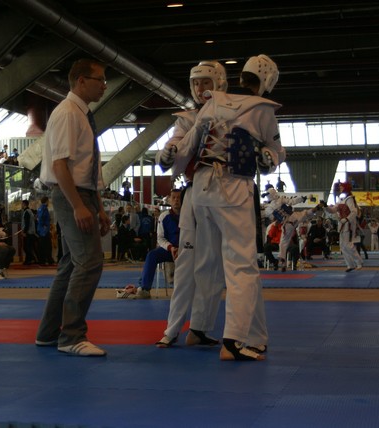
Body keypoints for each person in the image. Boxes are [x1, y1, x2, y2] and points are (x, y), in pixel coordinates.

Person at [170, 54, 285, 361]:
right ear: (268, 82)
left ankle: (208, 329)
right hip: (233, 189)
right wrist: (269, 158)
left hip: (201, 192)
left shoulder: (214, 102)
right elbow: (275, 149)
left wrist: (169, 157)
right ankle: (234, 340)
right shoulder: (261, 109)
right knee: (242, 267)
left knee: (208, 263)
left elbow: (187, 147)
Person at [36, 58, 111, 357]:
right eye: (99, 79)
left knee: (70, 265)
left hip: (83, 193)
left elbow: (85, 167)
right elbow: (60, 166)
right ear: (81, 81)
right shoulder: (67, 113)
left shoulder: (81, 114)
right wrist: (79, 206)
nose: (104, 85)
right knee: (89, 262)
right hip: (72, 194)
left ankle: (48, 333)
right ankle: (71, 336)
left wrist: (98, 206)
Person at [155, 60, 229, 348]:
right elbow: (175, 142)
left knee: (212, 267)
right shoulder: (187, 119)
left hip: (222, 195)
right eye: (196, 83)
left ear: (219, 83)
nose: (200, 88)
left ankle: (199, 328)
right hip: (195, 193)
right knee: (186, 263)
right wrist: (167, 153)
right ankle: (172, 329)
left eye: (206, 82)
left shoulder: (232, 114)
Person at [120, 189, 181, 299]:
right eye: (174, 197)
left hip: (186, 250)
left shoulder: (189, 216)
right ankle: (145, 289)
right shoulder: (164, 216)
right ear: (170, 200)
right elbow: (160, 238)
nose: (176, 200)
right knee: (152, 255)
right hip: (169, 250)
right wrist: (170, 247)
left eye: (179, 197)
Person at [325, 182, 364, 272]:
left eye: (342, 186)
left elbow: (354, 211)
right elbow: (333, 210)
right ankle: (350, 264)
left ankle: (359, 262)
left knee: (348, 244)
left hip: (349, 225)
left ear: (346, 187)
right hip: (342, 224)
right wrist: (326, 207)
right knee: (342, 246)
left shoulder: (349, 199)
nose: (340, 188)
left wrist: (346, 219)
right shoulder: (340, 199)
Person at [36, 196, 54, 265]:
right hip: (44, 230)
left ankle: (43, 260)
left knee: (42, 246)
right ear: (46, 201)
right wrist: (45, 227)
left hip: (41, 230)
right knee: (47, 246)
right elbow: (42, 218)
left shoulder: (40, 208)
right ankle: (48, 259)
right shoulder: (44, 208)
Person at [21, 199, 38, 264]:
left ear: (24, 204)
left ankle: (29, 260)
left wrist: (24, 232)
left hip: (28, 232)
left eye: (22, 204)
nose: (21, 205)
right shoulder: (30, 211)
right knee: (30, 247)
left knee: (26, 247)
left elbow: (27, 223)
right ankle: (30, 259)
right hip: (31, 231)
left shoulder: (26, 212)